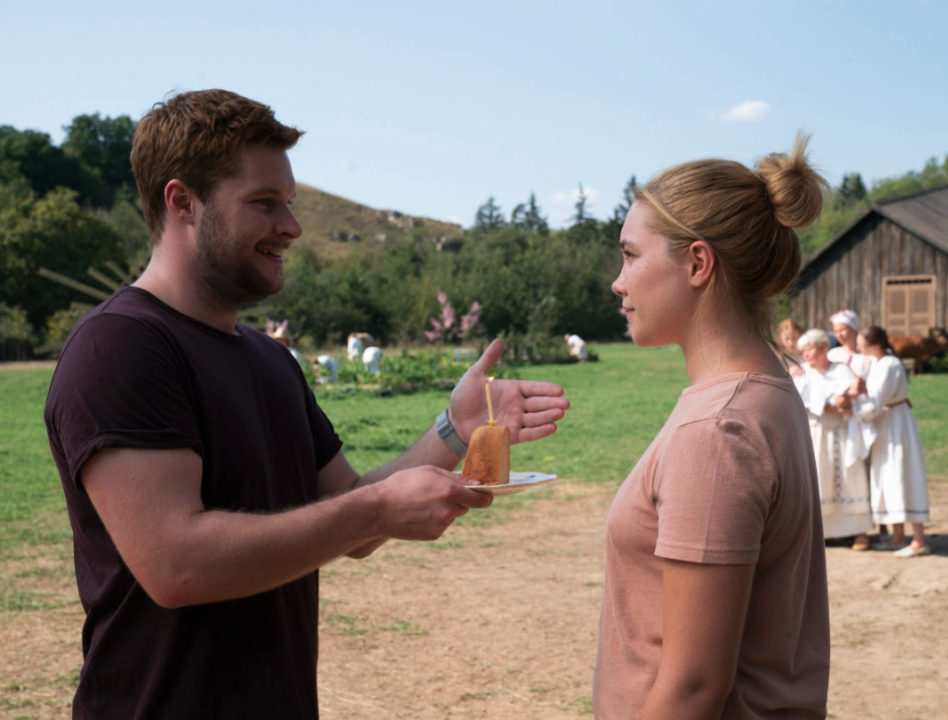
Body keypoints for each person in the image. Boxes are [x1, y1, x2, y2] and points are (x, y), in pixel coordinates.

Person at [43, 89, 570, 720]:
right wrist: (373, 508)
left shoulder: (269, 361)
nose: (290, 226)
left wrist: (453, 430)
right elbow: (177, 564)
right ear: (182, 201)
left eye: (288, 203)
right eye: (264, 203)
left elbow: (344, 513)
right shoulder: (122, 347)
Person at [594, 136, 831, 719]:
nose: (617, 283)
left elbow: (695, 687)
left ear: (698, 263)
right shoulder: (764, 396)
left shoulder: (718, 430)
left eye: (630, 256)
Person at [795, 328, 875, 550]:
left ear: (822, 348)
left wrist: (846, 400)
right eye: (803, 352)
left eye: (809, 350)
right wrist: (830, 404)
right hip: (817, 432)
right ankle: (825, 533)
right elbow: (803, 402)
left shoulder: (841, 370)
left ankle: (860, 532)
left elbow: (855, 397)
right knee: (821, 478)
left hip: (843, 432)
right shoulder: (803, 374)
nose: (806, 356)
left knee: (851, 478)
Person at [854, 326, 931, 557]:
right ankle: (898, 535)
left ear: (875, 347)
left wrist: (852, 408)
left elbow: (877, 399)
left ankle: (919, 540)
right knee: (888, 475)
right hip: (886, 424)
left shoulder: (888, 365)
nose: (858, 348)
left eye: (861, 344)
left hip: (896, 425)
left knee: (903, 473)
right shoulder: (878, 363)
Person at [828, 309, 873, 379]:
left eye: (842, 330)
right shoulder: (833, 354)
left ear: (854, 329)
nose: (839, 335)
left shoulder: (868, 355)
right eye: (836, 331)